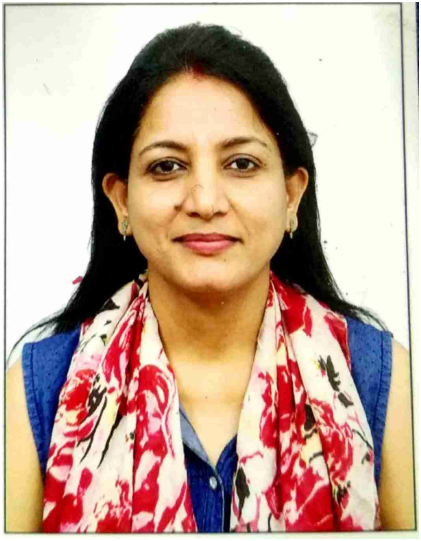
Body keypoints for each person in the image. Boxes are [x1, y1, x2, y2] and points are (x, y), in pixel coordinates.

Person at [6, 23, 414, 532]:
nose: (205, 201)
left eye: (241, 163)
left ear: (291, 196)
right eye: (167, 166)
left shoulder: (382, 383)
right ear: (121, 200)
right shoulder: (37, 392)